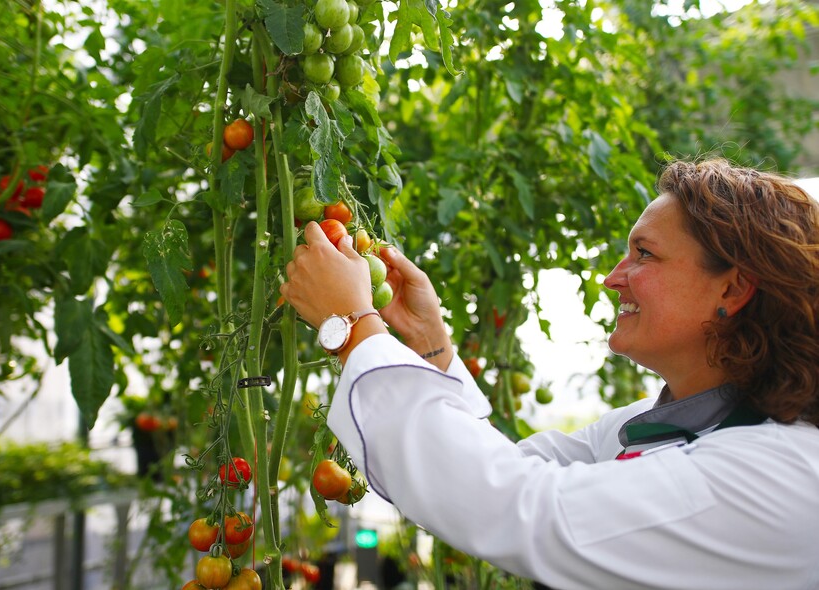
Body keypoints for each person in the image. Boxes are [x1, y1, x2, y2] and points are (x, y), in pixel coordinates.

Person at [279, 159, 819, 589]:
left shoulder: (775, 475)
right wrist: (430, 343)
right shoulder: (657, 425)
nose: (613, 279)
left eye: (644, 255)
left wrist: (350, 326)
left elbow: (518, 508)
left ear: (732, 289)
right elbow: (500, 471)